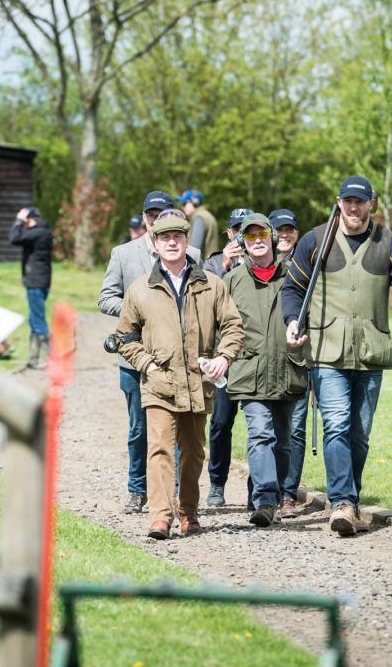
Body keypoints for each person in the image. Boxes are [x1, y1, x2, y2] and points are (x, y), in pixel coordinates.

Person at [282, 176, 392, 537]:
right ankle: (342, 502)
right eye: (347, 201)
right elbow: (293, 288)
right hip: (326, 353)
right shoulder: (316, 240)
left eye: (360, 202)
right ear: (338, 202)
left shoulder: (389, 243)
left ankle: (351, 502)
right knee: (337, 424)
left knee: (359, 435)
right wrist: (291, 321)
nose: (353, 208)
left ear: (371, 204)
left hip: (371, 353)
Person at [115, 208, 243, 540]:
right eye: (164, 237)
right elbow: (124, 337)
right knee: (158, 449)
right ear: (153, 243)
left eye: (177, 237)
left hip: (199, 384)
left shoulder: (211, 284)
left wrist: (224, 357)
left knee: (194, 451)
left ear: (187, 241)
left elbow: (232, 327)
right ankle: (160, 516)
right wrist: (147, 364)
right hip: (159, 384)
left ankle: (188, 511)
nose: (171, 243)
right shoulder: (140, 289)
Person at [98, 191, 201, 514]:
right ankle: (136, 488)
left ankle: (175, 495)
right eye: (151, 214)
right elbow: (105, 297)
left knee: (182, 429)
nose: (156, 219)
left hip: (178, 358)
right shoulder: (124, 254)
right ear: (144, 218)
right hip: (134, 357)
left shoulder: (192, 252)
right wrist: (138, 310)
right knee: (139, 428)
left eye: (162, 213)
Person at [223, 213, 308, 527]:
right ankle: (265, 500)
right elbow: (220, 325)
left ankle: (279, 493)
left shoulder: (295, 276)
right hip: (249, 370)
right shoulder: (232, 281)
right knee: (260, 434)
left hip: (288, 368)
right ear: (243, 243)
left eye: (262, 235)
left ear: (272, 238)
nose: (257, 241)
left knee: (283, 441)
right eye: (250, 236)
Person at [202, 207, 252, 507]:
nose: (241, 235)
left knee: (261, 426)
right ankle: (217, 483)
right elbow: (203, 296)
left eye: (247, 229)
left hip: (254, 356)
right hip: (225, 356)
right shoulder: (213, 262)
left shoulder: (263, 256)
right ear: (229, 233)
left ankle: (256, 490)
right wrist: (226, 262)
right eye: (236, 229)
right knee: (221, 422)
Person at [268, 208, 309, 518]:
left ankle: (288, 495)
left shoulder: (307, 263)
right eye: (278, 229)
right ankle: (263, 492)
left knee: (294, 428)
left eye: (289, 229)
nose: (284, 234)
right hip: (266, 359)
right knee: (264, 428)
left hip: (299, 356)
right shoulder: (257, 263)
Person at [9, 205, 53, 368]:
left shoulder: (38, 233)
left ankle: (51, 359)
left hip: (36, 281)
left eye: (25, 220)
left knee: (38, 319)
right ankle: (34, 359)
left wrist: (19, 221)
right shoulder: (44, 232)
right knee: (34, 319)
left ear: (30, 219)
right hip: (39, 280)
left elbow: (14, 238)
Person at [176, 188, 220, 258]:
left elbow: (195, 249)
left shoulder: (198, 217)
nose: (182, 207)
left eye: (184, 203)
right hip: (212, 264)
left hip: (205, 267)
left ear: (194, 203)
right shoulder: (206, 215)